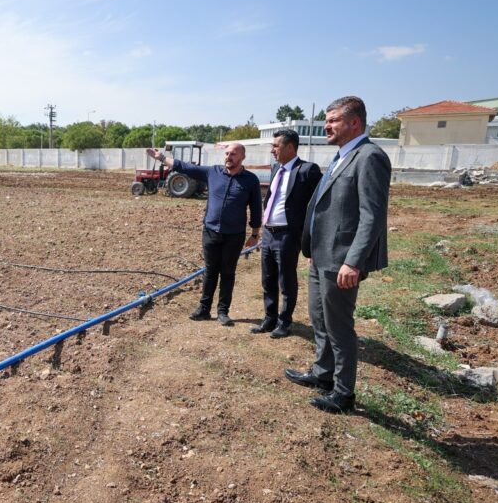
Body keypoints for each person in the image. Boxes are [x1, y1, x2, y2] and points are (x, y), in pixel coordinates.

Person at [284, 96, 390, 414]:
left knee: (339, 326)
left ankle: (343, 394)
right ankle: (323, 373)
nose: (327, 126)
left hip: (341, 260)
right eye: (327, 121)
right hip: (321, 255)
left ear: (354, 122)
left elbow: (372, 216)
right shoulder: (341, 156)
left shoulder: (369, 156)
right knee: (319, 318)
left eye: (333, 120)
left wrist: (353, 261)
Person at [146, 142, 262, 326]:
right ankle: (204, 309)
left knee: (228, 272)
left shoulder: (250, 180)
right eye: (227, 153)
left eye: (233, 154)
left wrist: (255, 234)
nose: (229, 156)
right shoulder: (213, 172)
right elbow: (185, 167)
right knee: (210, 271)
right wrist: (160, 157)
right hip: (210, 232)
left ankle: (223, 311)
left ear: (242, 157)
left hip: (234, 235)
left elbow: (256, 208)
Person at [251, 129, 322, 338]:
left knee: (286, 280)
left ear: (290, 147)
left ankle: (284, 322)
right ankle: (269, 318)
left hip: (288, 235)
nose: (272, 150)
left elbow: (319, 205)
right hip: (269, 233)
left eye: (276, 146)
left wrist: (310, 237)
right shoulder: (276, 169)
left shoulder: (307, 170)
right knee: (268, 279)